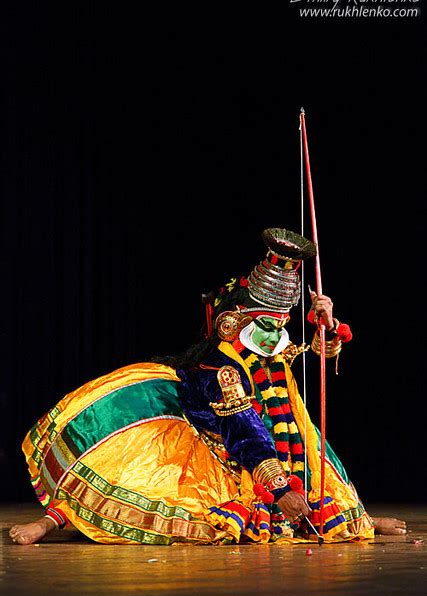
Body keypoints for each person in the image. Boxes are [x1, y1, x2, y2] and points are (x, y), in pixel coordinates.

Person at [10, 227, 406, 545]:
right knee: (145, 489)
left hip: (261, 447)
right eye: (268, 324)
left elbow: (309, 351)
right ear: (235, 321)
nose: (277, 333)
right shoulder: (222, 367)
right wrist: (281, 489)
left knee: (314, 453)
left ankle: (360, 519)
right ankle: (53, 522)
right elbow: (245, 433)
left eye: (283, 323)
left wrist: (330, 326)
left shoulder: (266, 350)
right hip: (216, 447)